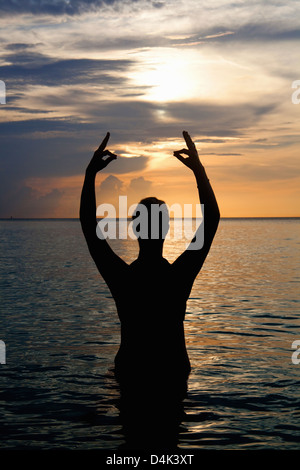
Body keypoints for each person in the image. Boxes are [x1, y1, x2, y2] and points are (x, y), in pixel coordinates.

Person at [80, 130, 220, 448]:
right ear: (168, 227)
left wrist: (90, 176)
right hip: (172, 372)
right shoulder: (178, 276)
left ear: (134, 228)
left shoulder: (123, 278)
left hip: (131, 372)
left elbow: (89, 226)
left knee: (132, 442)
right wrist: (199, 171)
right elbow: (212, 219)